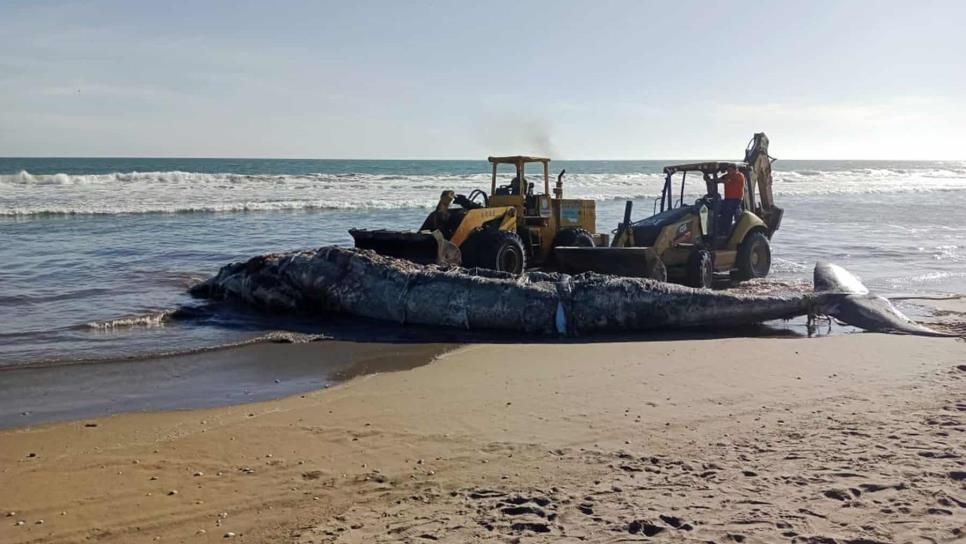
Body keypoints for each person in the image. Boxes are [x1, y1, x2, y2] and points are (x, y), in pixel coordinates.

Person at [715, 164, 745, 237]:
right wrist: (711, 180)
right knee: (718, 208)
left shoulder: (739, 176)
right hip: (728, 198)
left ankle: (726, 232)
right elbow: (718, 180)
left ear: (735, 170)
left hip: (736, 199)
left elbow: (727, 181)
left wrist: (720, 180)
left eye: (730, 170)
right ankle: (719, 229)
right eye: (728, 170)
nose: (728, 172)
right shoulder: (727, 175)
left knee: (728, 214)